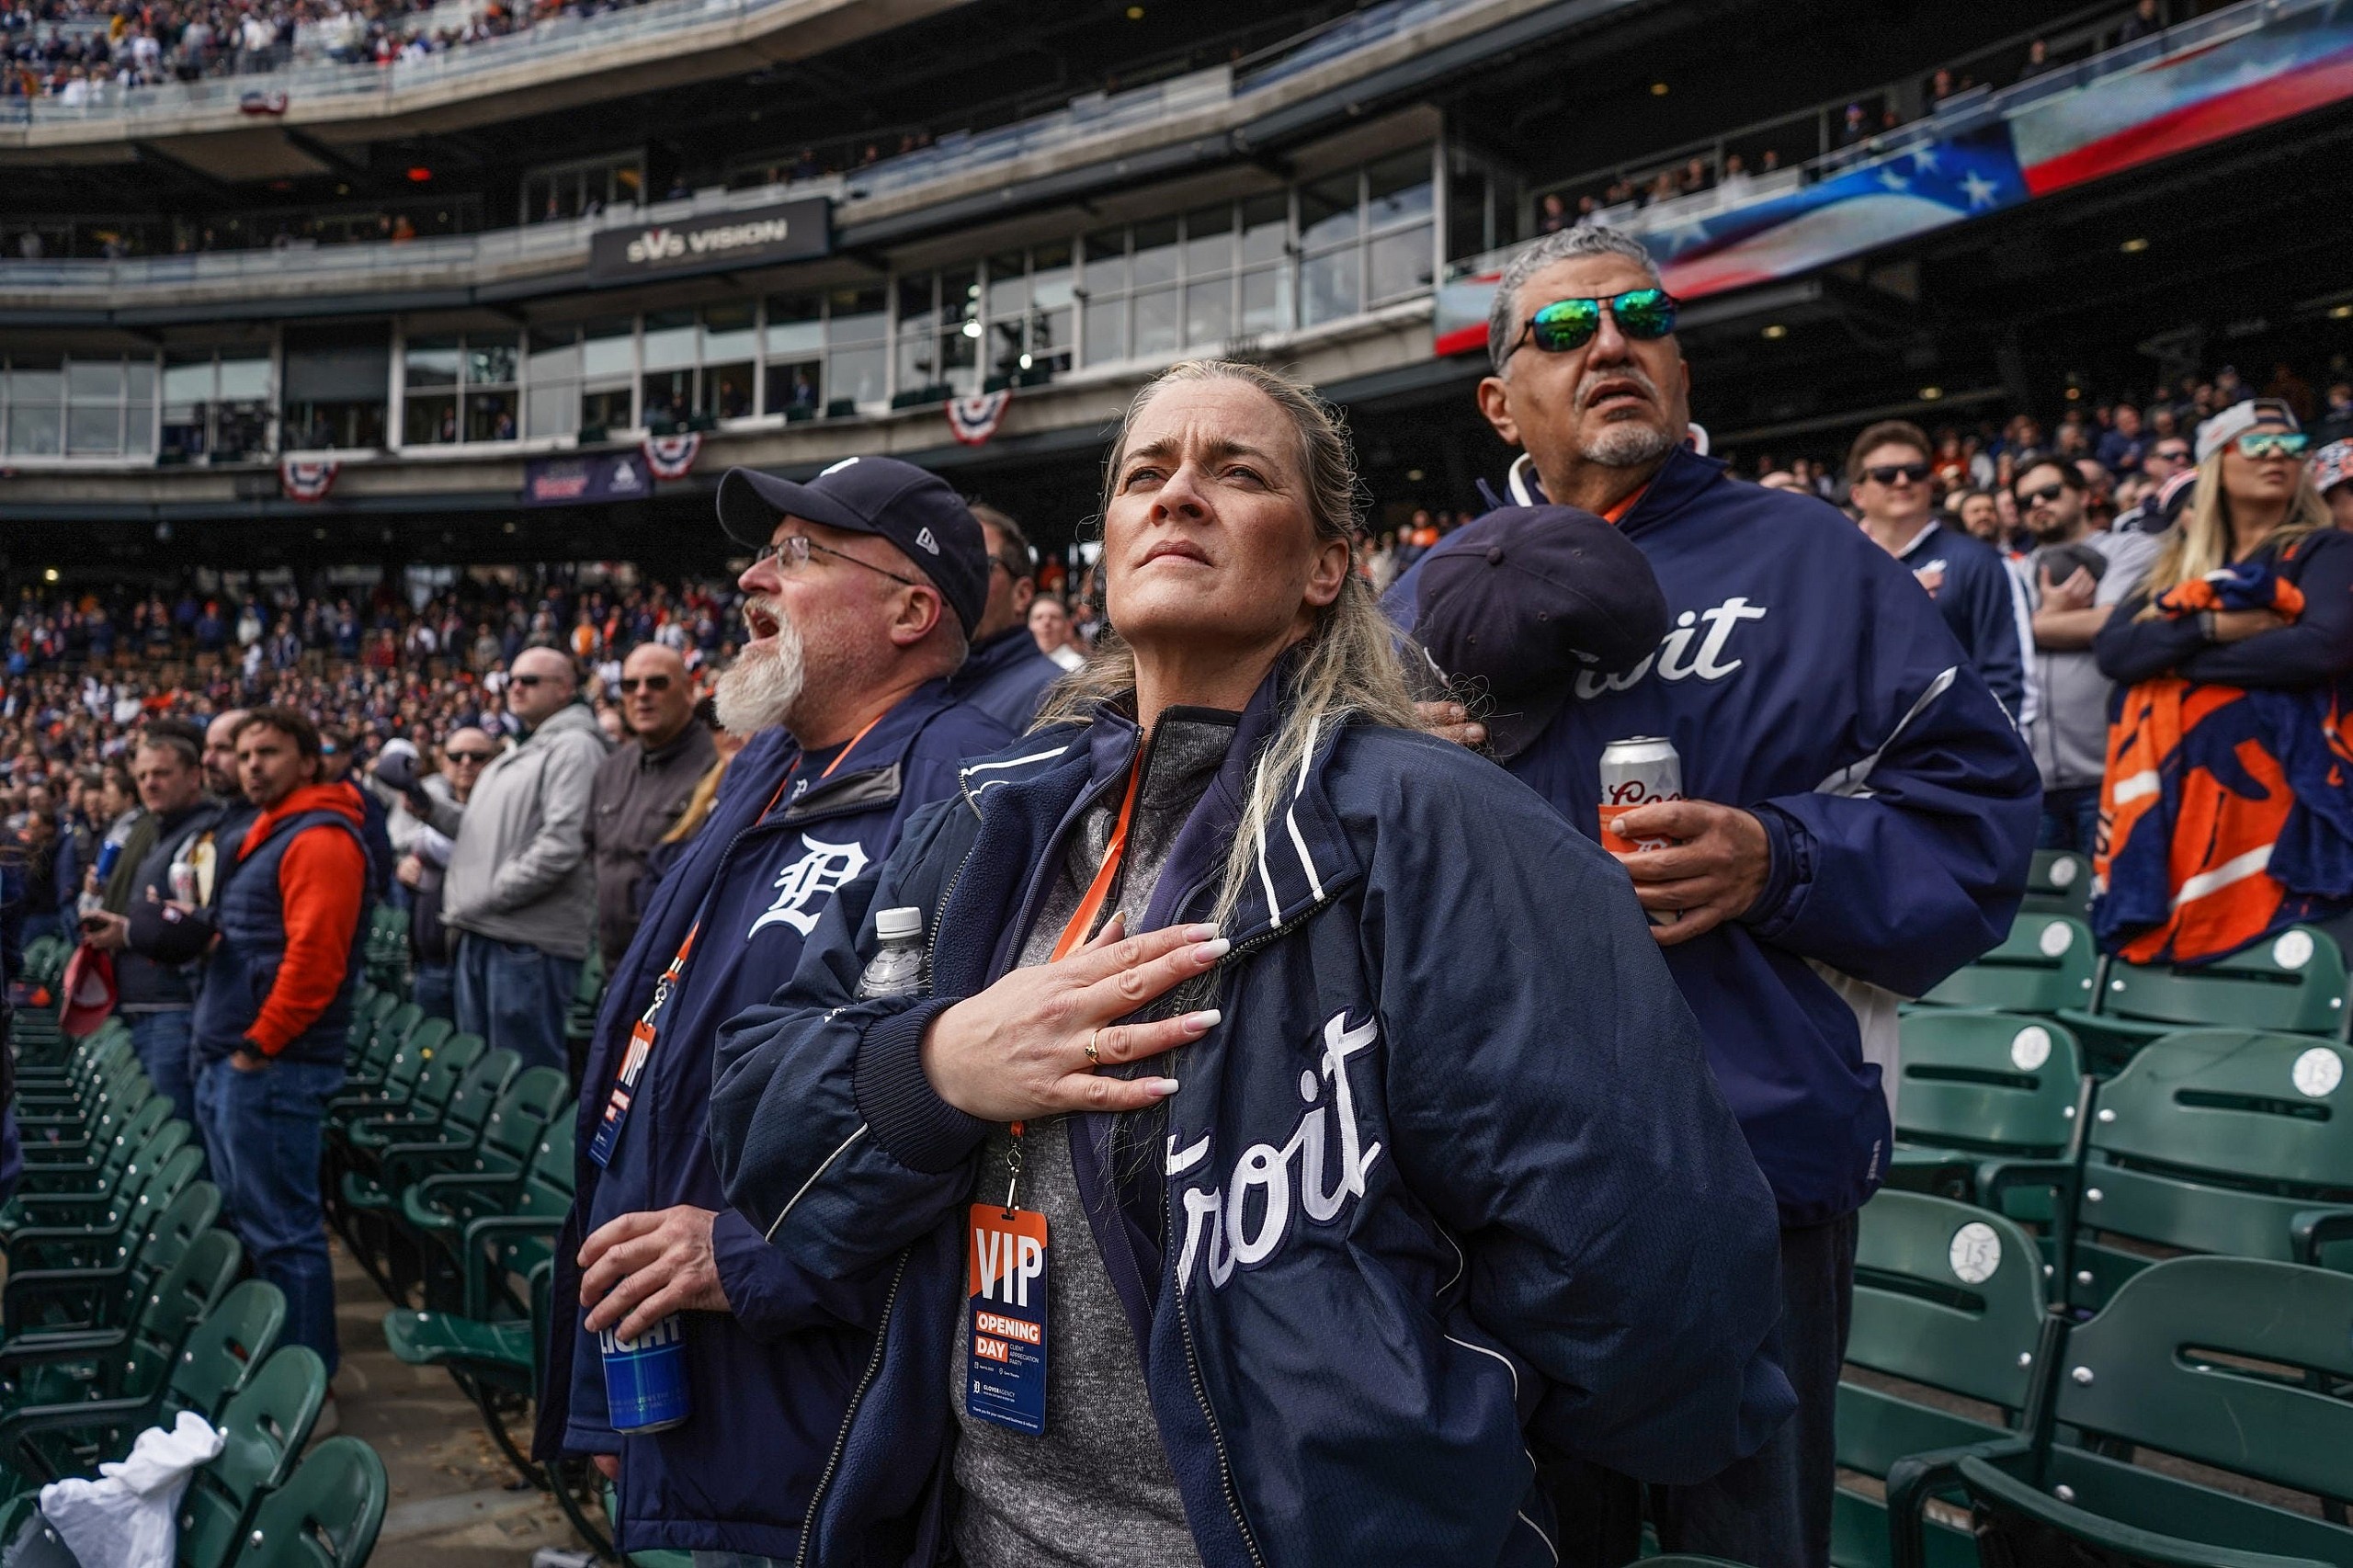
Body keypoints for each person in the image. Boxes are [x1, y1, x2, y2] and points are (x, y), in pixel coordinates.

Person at [707, 361, 1790, 1568]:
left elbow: (1662, 1280)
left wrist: (1444, 1434)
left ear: (1325, 566)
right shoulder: (986, 813)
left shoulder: (1450, 828)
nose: (1178, 496)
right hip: (972, 1532)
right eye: (1144, 474)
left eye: (1236, 471)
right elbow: (756, 1113)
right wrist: (941, 1064)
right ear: (1107, 549)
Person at [1389, 225, 2039, 1566]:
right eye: (1565, 332)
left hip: (1751, 1170)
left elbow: (1978, 823)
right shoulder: (1426, 603)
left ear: (1680, 364)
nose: (1611, 344)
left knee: (1743, 1546)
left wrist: (1779, 857)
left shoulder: (1816, 559)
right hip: (1494, 1183)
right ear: (1501, 398)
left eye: (1641, 316)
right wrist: (1384, 765)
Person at [533, 457, 1012, 1563]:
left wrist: (753, 1260)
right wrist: (608, 1389)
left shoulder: (971, 788)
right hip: (692, 1384)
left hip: (813, 1426)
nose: (752, 575)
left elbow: (977, 1124)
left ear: (911, 608)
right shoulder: (773, 773)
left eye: (798, 554)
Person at [2094, 400, 2353, 962]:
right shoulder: (2172, 566)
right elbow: (2115, 651)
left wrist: (2175, 657)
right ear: (2217, 463)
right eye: (2259, 445)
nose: (2278, 456)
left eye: (2292, 446)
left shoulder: (2326, 549)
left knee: (2298, 967)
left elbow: (2320, 649)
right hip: (2181, 808)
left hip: (2286, 804)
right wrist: (2213, 624)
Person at [190, 707, 369, 1390]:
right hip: (241, 1055)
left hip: (274, 1064)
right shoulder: (272, 829)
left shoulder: (321, 837)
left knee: (284, 1232)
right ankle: (278, 1368)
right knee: (257, 1221)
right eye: (244, 753)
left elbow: (315, 961)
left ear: (308, 758)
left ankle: (305, 1386)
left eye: (269, 751)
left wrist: (258, 1046)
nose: (253, 764)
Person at [426, 645, 608, 1074]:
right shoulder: (522, 748)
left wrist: (492, 893)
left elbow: (564, 843)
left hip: (526, 941)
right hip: (488, 929)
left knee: (520, 1075)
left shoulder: (575, 747)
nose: (516, 688)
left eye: (530, 680)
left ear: (565, 689)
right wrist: (426, 807)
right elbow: (477, 828)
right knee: (482, 1075)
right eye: (512, 680)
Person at [75, 721, 223, 1133]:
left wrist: (131, 928)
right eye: (142, 776)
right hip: (143, 1004)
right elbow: (149, 915)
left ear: (194, 775)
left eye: (161, 773)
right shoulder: (159, 832)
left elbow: (193, 924)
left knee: (176, 1134)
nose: (149, 783)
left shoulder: (204, 832)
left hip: (174, 1009)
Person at [2011, 458, 2161, 851]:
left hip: (2112, 772)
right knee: (2042, 911)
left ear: (2083, 495)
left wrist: (2023, 628)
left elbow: (2110, 627)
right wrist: (2060, 619)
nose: (2038, 503)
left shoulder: (2130, 548)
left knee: (2116, 904)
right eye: (2027, 500)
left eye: (2050, 492)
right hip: (2030, 785)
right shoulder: (2011, 571)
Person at [1849, 420, 2027, 720]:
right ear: (1858, 495)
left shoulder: (1978, 560)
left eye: (1915, 472)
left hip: (1964, 754)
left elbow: (2010, 673)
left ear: (1930, 482)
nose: (1902, 481)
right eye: (1885, 475)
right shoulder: (1842, 574)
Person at [586, 643, 713, 973]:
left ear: (688, 691)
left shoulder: (718, 768)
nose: (641, 694)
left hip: (681, 971)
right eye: (630, 685)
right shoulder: (610, 770)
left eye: (657, 683)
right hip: (615, 964)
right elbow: (591, 854)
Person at [394, 729, 492, 1021]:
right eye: (455, 756)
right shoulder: (431, 805)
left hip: (477, 963)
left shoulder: (503, 814)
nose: (465, 763)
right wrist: (402, 864)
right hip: (429, 962)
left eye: (477, 757)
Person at [946, 501, 1064, 731]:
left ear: (1021, 594)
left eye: (976, 565)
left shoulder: (1056, 700)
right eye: (945, 566)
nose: (954, 581)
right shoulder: (915, 688)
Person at [1027, 594, 1086, 671]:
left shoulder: (1078, 668)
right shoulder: (1018, 664)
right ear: (1029, 625)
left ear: (1067, 627)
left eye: (1054, 617)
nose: (1046, 622)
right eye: (1039, 617)